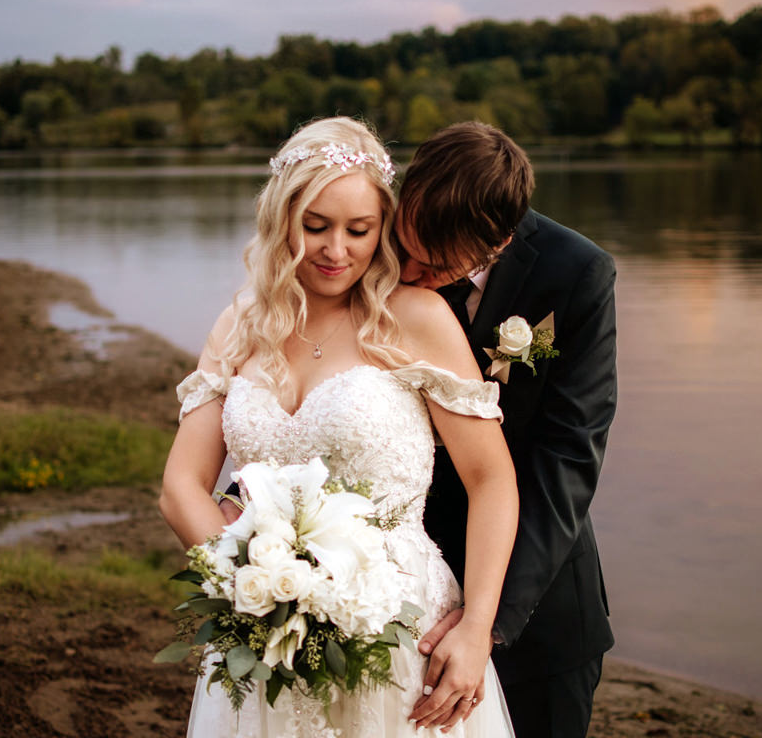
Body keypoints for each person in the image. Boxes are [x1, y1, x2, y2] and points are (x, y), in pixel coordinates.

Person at [158, 116, 520, 737]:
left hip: (399, 628)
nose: (336, 250)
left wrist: (477, 626)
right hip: (268, 636)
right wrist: (252, 584)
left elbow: (491, 479)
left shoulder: (417, 317)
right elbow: (181, 487)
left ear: (386, 227)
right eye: (315, 226)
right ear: (281, 220)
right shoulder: (239, 323)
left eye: (360, 230)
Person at [398, 122, 617, 738]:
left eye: (433, 265)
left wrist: (487, 624)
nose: (406, 273)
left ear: (500, 240)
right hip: (404, 590)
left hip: (538, 604)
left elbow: (567, 459)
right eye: (403, 246)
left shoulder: (578, 275)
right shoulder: (373, 250)